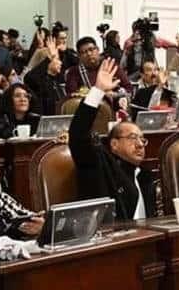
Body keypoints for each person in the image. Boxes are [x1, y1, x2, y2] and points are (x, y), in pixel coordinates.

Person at [68, 58, 155, 220]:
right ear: (114, 144)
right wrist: (98, 91)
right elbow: (78, 134)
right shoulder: (99, 164)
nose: (140, 145)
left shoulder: (145, 175)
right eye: (132, 138)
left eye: (142, 140)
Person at [65, 36, 132, 95]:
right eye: (84, 52)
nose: (89, 54)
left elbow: (128, 88)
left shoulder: (110, 66)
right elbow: (72, 96)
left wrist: (116, 95)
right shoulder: (74, 72)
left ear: (98, 50)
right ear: (79, 56)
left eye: (91, 49)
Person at [25, 49, 66, 116]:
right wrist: (49, 58)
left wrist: (65, 50)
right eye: (57, 59)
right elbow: (30, 77)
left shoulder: (57, 78)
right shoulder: (37, 80)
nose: (60, 62)